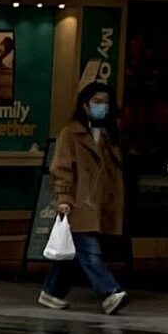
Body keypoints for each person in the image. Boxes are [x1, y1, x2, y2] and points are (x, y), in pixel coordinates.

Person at [40, 83, 128, 315]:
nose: (102, 107)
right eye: (97, 101)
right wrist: (63, 196)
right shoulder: (71, 133)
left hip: (99, 204)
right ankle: (109, 292)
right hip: (79, 202)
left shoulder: (110, 135)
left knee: (74, 255)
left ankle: (51, 292)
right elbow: (61, 167)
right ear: (85, 104)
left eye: (106, 102)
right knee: (89, 251)